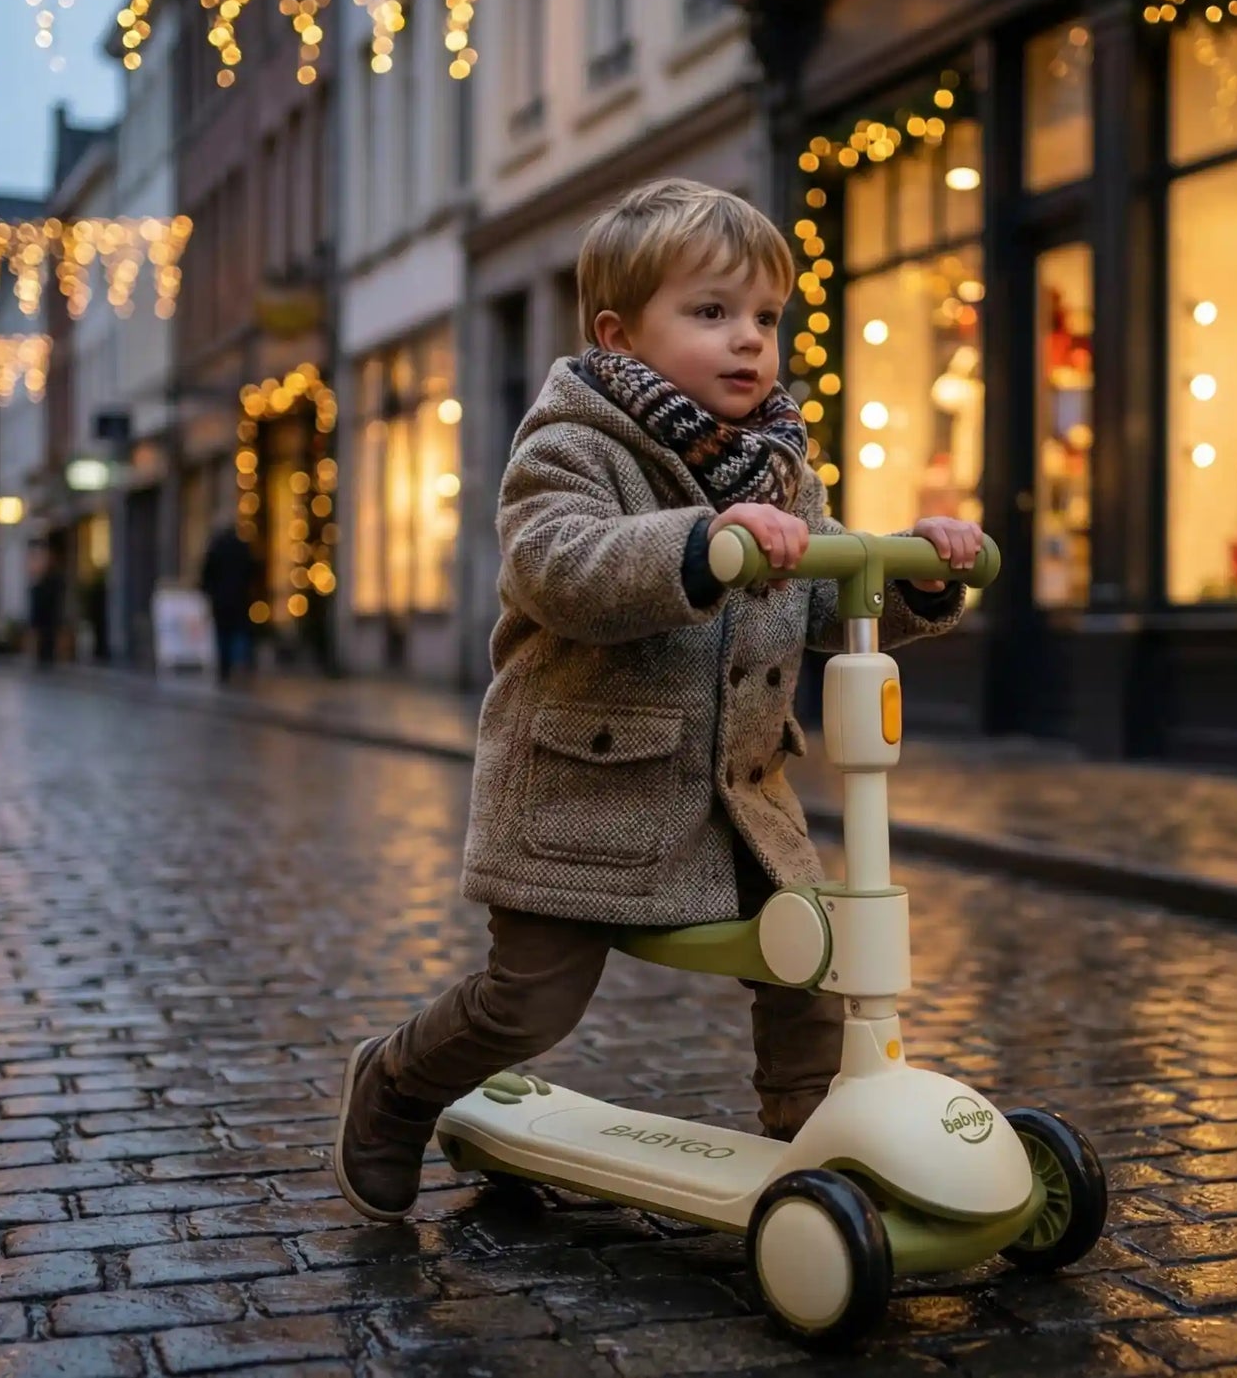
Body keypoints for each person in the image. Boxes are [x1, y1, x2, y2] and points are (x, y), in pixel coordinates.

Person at [334, 178, 982, 1223]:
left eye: (765, 319)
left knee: (812, 956)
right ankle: (398, 1084)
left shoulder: (776, 465)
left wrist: (915, 570)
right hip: (581, 798)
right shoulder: (571, 443)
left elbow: (818, 597)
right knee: (529, 1001)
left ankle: (820, 1144)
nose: (748, 342)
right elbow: (558, 565)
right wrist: (699, 544)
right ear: (618, 335)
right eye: (711, 313)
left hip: (735, 799)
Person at [199, 513, 254, 683]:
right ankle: (241, 665)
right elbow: (251, 571)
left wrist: (208, 591)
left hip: (221, 599)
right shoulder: (242, 547)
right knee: (238, 632)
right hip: (239, 597)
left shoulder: (216, 547)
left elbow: (206, 573)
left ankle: (225, 668)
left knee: (223, 634)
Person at [27, 543, 65, 670]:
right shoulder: (39, 579)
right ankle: (42, 661)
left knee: (48, 640)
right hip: (41, 618)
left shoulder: (52, 579)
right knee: (42, 641)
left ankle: (47, 660)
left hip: (48, 617)